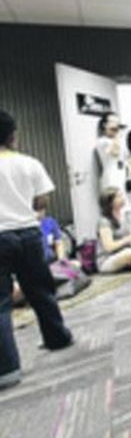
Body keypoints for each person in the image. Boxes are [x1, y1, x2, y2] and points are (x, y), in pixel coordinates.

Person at [0, 109, 73, 390]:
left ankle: (7, 370)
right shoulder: (28, 162)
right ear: (13, 135)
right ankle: (57, 337)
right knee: (40, 290)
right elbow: (41, 199)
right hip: (29, 233)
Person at [95, 112, 125, 191]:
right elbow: (115, 152)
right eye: (112, 122)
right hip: (111, 176)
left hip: (122, 174)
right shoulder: (102, 141)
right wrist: (117, 135)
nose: (115, 125)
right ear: (104, 124)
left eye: (117, 122)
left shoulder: (118, 141)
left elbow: (122, 159)